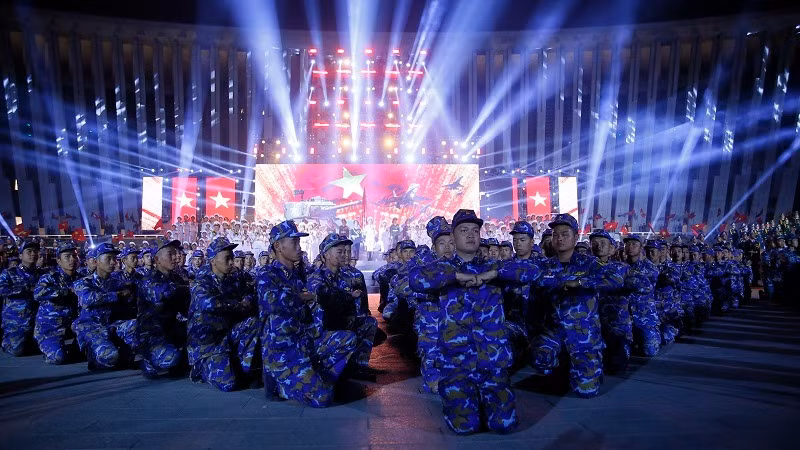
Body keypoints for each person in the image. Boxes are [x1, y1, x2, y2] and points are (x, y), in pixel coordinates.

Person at [410, 209, 541, 435]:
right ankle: (461, 400)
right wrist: (455, 277)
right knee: (465, 427)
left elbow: (534, 271)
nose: (470, 235)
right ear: (453, 237)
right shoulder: (443, 268)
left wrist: (492, 275)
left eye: (475, 230)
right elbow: (415, 280)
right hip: (457, 361)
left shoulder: (493, 267)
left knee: (504, 426)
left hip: (491, 359)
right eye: (463, 230)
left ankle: (487, 403)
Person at [258, 221, 357, 407]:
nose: (299, 247)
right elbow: (271, 303)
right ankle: (280, 380)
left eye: (299, 243)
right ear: (278, 246)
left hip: (305, 339)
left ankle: (314, 377)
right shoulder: (268, 274)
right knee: (322, 399)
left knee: (348, 339)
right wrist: (301, 297)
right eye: (294, 243)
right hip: (284, 347)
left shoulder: (296, 274)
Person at [531, 215, 623, 397]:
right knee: (540, 358)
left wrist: (580, 282)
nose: (559, 238)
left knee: (586, 390)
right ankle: (561, 367)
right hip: (554, 331)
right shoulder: (544, 265)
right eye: (556, 235)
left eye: (565, 234)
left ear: (575, 237)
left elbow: (615, 280)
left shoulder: (590, 263)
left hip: (583, 334)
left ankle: (588, 368)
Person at [187, 237, 260, 391]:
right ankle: (201, 367)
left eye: (232, 258)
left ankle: (242, 367)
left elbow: (249, 293)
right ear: (213, 261)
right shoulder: (202, 281)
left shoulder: (232, 278)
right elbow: (211, 305)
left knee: (253, 323)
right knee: (228, 384)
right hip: (208, 344)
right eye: (227, 258)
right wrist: (239, 305)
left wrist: (246, 300)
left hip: (226, 335)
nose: (232, 262)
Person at [308, 233, 378, 380]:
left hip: (341, 324)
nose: (343, 255)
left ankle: (357, 366)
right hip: (321, 331)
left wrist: (352, 315)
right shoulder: (316, 277)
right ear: (326, 254)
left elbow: (354, 305)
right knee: (349, 336)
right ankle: (324, 371)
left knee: (369, 323)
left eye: (344, 251)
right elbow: (326, 297)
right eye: (339, 252)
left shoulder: (346, 277)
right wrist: (348, 297)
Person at [72, 243, 138, 370]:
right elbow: (88, 299)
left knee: (137, 325)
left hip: (112, 324)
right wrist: (117, 295)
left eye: (114, 259)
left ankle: (125, 358)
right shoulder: (83, 282)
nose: (113, 262)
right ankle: (94, 354)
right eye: (108, 258)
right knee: (109, 357)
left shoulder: (117, 283)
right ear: (96, 261)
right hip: (92, 326)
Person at [138, 240, 190, 378]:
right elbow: (164, 293)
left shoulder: (177, 277)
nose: (175, 257)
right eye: (170, 254)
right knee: (170, 358)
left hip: (173, 328)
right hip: (154, 332)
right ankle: (148, 359)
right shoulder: (148, 279)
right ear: (157, 259)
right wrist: (190, 288)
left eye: (175, 253)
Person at [589, 230, 632, 373]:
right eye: (594, 243)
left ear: (612, 248)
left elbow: (641, 284)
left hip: (615, 324)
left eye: (603, 243)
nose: (598, 247)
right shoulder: (582, 268)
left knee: (617, 366)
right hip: (590, 324)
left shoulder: (622, 268)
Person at [33, 242, 81, 364]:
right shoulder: (49, 277)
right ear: (58, 261)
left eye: (74, 256)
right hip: (51, 328)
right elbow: (38, 293)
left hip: (73, 326)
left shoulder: (81, 278)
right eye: (67, 256)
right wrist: (66, 291)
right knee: (57, 358)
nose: (72, 260)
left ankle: (73, 348)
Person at [0, 239, 42, 355]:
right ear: (20, 255)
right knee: (18, 350)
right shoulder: (9, 273)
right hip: (17, 320)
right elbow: (2, 290)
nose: (33, 254)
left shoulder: (43, 273)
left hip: (38, 319)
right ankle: (7, 342)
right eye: (29, 251)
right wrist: (25, 290)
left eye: (36, 251)